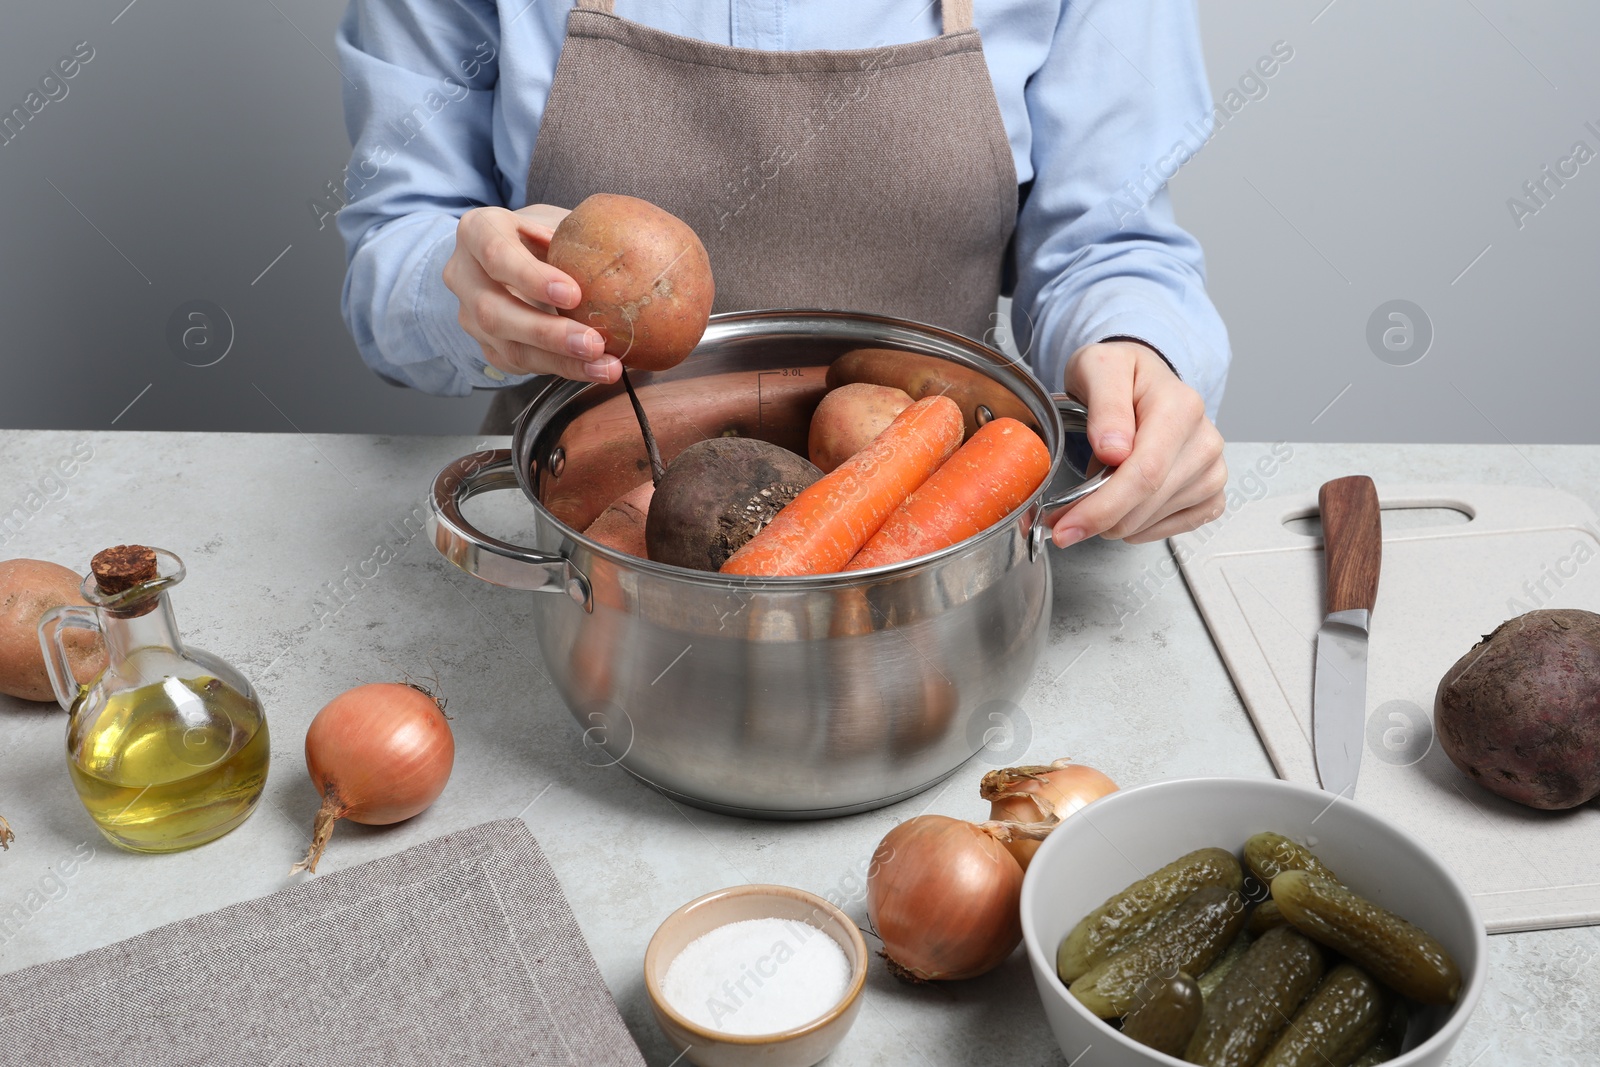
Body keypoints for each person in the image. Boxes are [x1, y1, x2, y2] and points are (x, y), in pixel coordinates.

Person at [335, 0, 1231, 547]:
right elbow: (398, 243)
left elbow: (1105, 247)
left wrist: (1133, 352)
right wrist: (463, 295)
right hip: (586, 533)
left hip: (939, 531)